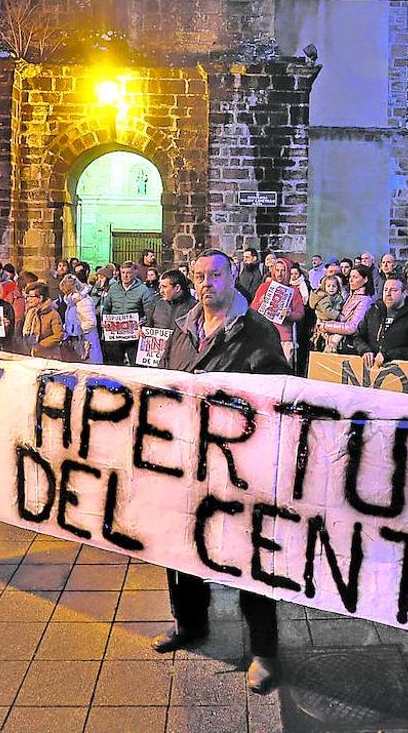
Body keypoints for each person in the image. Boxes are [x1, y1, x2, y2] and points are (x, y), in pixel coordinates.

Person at [154, 248, 289, 694]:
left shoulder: (257, 331)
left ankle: (263, 651)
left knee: (250, 556)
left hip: (237, 464)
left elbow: (276, 394)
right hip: (187, 457)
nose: (206, 282)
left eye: (215, 274)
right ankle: (189, 624)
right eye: (199, 276)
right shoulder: (184, 328)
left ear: (233, 277)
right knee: (180, 548)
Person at [353, 276, 408, 366]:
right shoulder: (373, 311)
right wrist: (364, 350)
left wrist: (389, 355)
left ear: (404, 293)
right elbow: (358, 337)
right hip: (371, 370)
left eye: (393, 290)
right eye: (385, 290)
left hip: (402, 372)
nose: (388, 294)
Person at [250, 256, 306, 363]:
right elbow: (252, 310)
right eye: (277, 270)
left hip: (284, 336)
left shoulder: (293, 290)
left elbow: (300, 313)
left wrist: (290, 314)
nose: (280, 274)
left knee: (283, 365)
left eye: (283, 270)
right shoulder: (264, 287)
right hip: (264, 333)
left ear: (288, 272)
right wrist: (260, 303)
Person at [99, 260, 155, 365]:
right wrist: (104, 320)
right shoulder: (113, 288)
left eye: (128, 273)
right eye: (123, 272)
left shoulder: (143, 290)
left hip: (134, 335)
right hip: (115, 335)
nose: (125, 275)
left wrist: (143, 326)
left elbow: (149, 312)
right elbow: (106, 308)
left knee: (136, 366)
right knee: (114, 366)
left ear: (135, 273)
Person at [316, 264, 375, 353]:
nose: (350, 280)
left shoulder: (365, 300)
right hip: (339, 342)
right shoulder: (351, 296)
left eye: (355, 277)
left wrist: (326, 325)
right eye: (350, 276)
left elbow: (352, 327)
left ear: (365, 279)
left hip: (350, 346)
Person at [59, 275, 102, 362]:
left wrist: (77, 328)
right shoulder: (71, 302)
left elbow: (91, 322)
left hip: (87, 340)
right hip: (76, 340)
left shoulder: (84, 301)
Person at [21, 282, 64, 359]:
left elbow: (58, 335)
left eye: (31, 297)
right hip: (32, 355)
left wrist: (40, 345)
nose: (28, 300)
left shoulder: (53, 314)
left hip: (50, 357)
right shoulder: (30, 312)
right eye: (27, 297)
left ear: (40, 298)